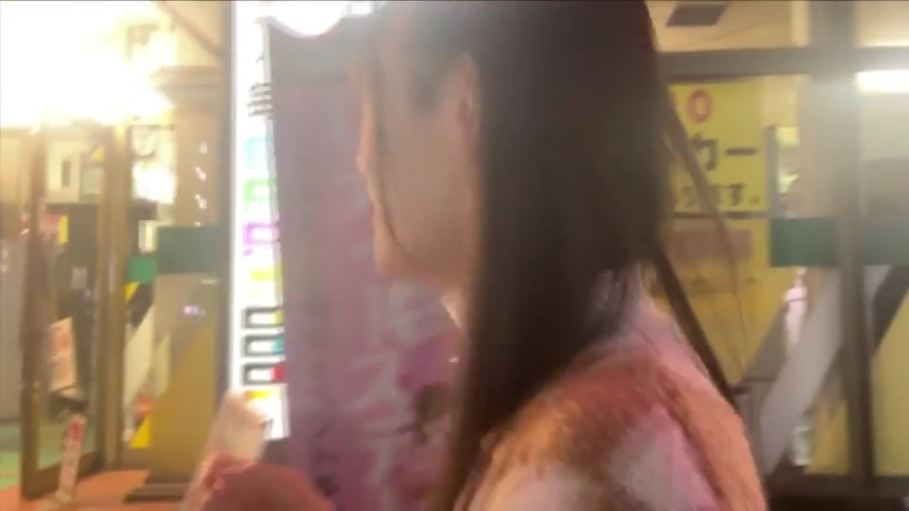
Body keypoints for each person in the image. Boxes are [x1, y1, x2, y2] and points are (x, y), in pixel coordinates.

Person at [204, 2, 765, 510]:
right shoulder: (624, 393)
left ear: (465, 104)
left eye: (372, 103)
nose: (361, 156)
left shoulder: (579, 466)